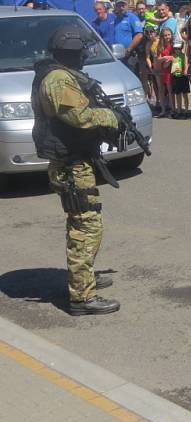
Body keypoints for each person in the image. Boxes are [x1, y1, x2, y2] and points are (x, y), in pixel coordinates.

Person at [30, 25, 126, 315]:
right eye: (83, 50)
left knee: (86, 223)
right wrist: (111, 116)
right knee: (85, 226)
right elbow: (79, 116)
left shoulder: (63, 75)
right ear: (73, 51)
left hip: (76, 160)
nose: (85, 55)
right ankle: (82, 298)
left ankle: (83, 280)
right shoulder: (58, 79)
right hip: (70, 166)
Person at [111, 0, 143, 72]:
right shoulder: (115, 18)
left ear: (127, 7)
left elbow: (139, 35)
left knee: (130, 76)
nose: (121, 8)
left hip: (128, 54)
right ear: (116, 7)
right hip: (115, 54)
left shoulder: (132, 17)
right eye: (119, 6)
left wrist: (129, 49)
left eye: (123, 6)